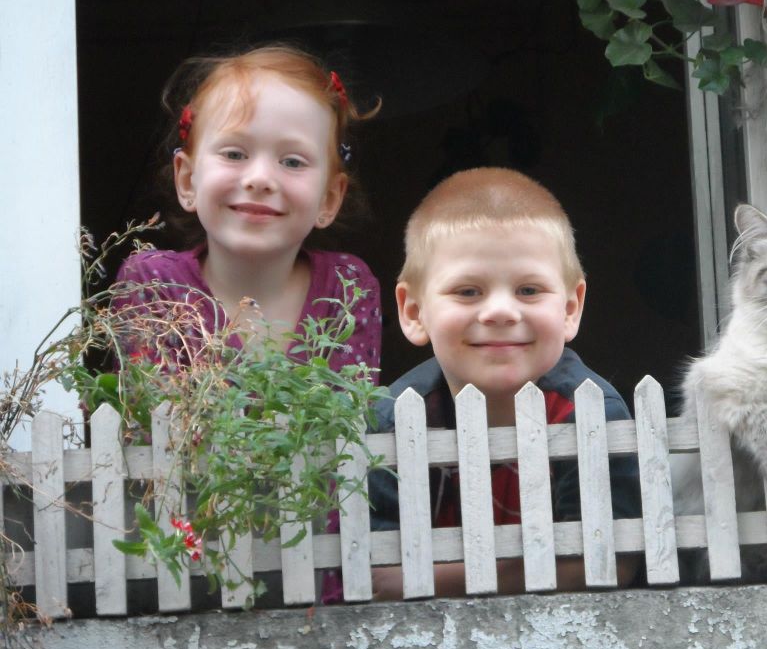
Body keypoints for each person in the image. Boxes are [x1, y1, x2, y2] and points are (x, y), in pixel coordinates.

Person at [327, 167, 640, 602]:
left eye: (529, 290)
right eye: (468, 291)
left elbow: (610, 561)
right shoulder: (392, 419)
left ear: (570, 309)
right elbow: (374, 570)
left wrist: (440, 580)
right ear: (414, 312)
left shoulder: (588, 411)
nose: (500, 311)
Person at [113, 45, 381, 375]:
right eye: (235, 154)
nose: (260, 179)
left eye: (292, 161)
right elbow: (154, 407)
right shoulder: (153, 285)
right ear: (187, 180)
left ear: (328, 199)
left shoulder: (346, 288)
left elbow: (348, 406)